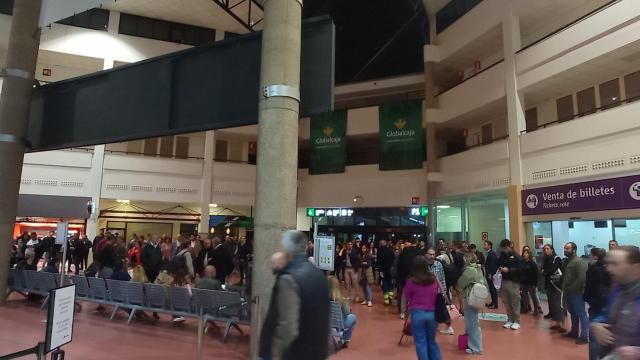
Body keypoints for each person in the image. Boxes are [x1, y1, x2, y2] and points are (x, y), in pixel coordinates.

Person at [258, 231, 329, 360]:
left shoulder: (289, 279)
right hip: (317, 350)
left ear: (287, 250)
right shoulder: (318, 274)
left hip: (296, 352)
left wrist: (276, 354)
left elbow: (288, 328)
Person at [591, 246, 640, 360]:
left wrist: (637, 352)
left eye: (615, 264)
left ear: (636, 267)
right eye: (608, 264)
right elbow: (607, 313)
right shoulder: (617, 288)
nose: (608, 269)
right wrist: (596, 324)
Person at [404, 256, 442, 360]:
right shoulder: (434, 279)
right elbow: (437, 293)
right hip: (433, 314)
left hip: (417, 313)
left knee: (421, 342)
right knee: (432, 341)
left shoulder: (411, 281)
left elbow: (407, 296)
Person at [456, 252, 487, 355]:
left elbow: (461, 282)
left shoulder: (470, 270)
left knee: (472, 323)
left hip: (470, 297)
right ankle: (473, 344)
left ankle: (475, 348)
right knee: (474, 321)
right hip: (477, 297)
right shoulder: (479, 268)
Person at [584, 247, 610, 360]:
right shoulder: (607, 270)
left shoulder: (593, 268)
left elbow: (589, 286)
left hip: (597, 303)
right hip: (604, 304)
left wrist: (586, 297)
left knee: (594, 337)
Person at [562, 242, 589, 345]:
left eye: (567, 248)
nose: (565, 250)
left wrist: (572, 288)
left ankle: (584, 336)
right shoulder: (568, 261)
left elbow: (581, 279)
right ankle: (574, 332)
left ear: (574, 250)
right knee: (572, 313)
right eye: (565, 248)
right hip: (568, 292)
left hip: (577, 293)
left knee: (581, 314)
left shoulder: (579, 262)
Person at [426, 247, 454, 336]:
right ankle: (431, 326)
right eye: (430, 254)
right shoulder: (422, 265)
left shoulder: (438, 264)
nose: (432, 256)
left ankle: (449, 326)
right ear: (426, 255)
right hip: (426, 293)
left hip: (437, 293)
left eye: (433, 254)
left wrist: (444, 293)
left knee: (442, 310)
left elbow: (442, 279)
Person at [498, 239, 524, 330]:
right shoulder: (502, 256)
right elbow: (499, 263)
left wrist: (509, 270)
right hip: (504, 281)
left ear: (510, 246)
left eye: (505, 248)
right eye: (503, 248)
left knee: (515, 302)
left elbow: (521, 269)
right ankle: (510, 319)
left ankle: (517, 321)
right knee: (506, 301)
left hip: (513, 282)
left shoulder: (517, 257)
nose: (504, 250)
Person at [328, 275, 357, 348]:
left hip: (325, 324)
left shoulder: (321, 298)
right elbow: (347, 312)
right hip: (339, 325)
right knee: (353, 317)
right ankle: (344, 340)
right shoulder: (341, 299)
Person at [397, 238, 422, 319]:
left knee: (404, 293)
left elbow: (400, 263)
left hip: (407, 275)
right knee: (417, 294)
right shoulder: (419, 251)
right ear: (417, 242)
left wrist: (401, 275)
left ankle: (403, 312)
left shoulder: (405, 251)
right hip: (418, 275)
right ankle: (413, 312)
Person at [542, 244, 565, 331]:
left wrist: (546, 271)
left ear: (552, 249)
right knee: (552, 304)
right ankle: (556, 322)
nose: (546, 250)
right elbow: (543, 269)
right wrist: (546, 271)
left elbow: (552, 269)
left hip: (556, 285)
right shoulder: (546, 259)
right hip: (548, 284)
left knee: (557, 304)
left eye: (547, 248)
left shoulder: (556, 259)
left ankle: (562, 324)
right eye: (545, 249)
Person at [521, 248, 542, 315]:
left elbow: (536, 274)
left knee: (533, 296)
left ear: (529, 254)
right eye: (524, 253)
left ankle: (536, 309)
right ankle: (525, 308)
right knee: (524, 296)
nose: (525, 254)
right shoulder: (522, 262)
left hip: (531, 283)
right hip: (524, 282)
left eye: (526, 253)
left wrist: (535, 284)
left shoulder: (532, 263)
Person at [377, 239, 395, 305]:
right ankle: (390, 296)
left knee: (384, 283)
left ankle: (386, 300)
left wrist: (380, 270)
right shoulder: (390, 251)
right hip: (390, 270)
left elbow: (379, 261)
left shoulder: (379, 251)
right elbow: (393, 260)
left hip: (383, 270)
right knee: (391, 283)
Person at [484, 240, 499, 309]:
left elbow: (492, 265)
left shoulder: (492, 254)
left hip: (491, 274)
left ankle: (495, 304)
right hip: (489, 273)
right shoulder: (489, 253)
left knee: (493, 289)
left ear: (489, 246)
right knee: (491, 288)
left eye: (485, 245)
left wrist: (490, 274)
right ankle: (493, 302)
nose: (484, 246)